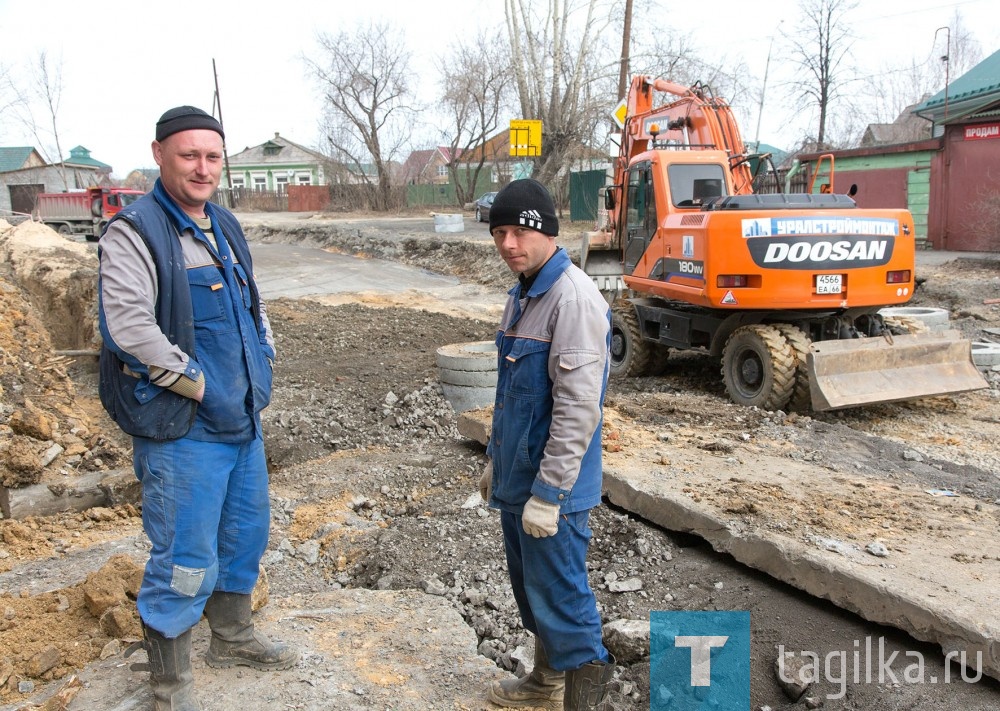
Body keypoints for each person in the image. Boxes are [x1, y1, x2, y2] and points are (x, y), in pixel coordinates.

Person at [98, 106, 297, 710]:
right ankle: (170, 685)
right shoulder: (135, 232)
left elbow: (252, 306)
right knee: (185, 555)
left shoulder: (224, 224)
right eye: (189, 155)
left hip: (243, 423)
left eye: (212, 156)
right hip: (184, 430)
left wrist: (262, 361)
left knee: (243, 538)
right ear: (159, 155)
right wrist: (201, 387)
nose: (202, 168)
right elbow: (128, 329)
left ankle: (232, 637)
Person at [480, 178, 615, 710]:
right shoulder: (523, 293)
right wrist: (495, 459)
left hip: (551, 489)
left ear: (547, 232)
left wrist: (549, 492)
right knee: (534, 594)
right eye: (499, 233)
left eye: (519, 232)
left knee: (563, 599)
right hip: (519, 480)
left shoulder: (573, 298)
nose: (508, 244)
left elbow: (578, 407)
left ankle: (582, 701)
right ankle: (545, 683)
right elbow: (510, 393)